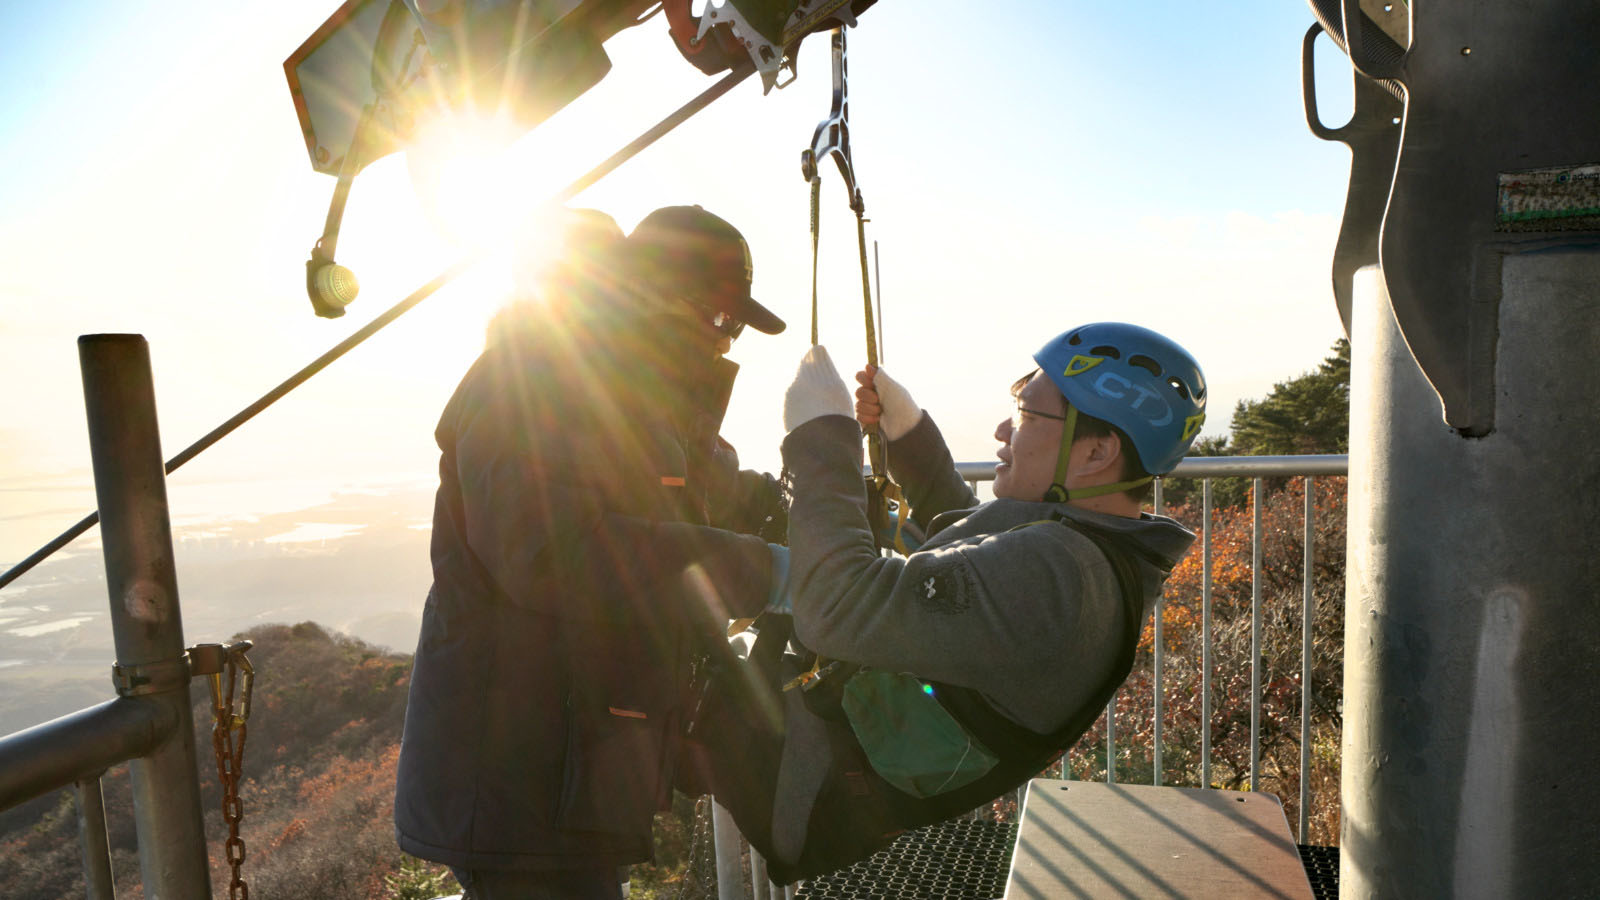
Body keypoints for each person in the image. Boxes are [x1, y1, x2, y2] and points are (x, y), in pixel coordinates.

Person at [681, 322, 1207, 883]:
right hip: (815, 745)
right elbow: (974, 561)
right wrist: (908, 436)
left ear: (1097, 452)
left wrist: (822, 438)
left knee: (644, 578)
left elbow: (835, 606)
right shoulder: (1097, 551)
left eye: (1029, 416)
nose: (1005, 428)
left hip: (797, 773)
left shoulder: (1058, 579)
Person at [394, 205, 789, 899]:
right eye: (720, 319)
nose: (726, 345)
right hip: (517, 779)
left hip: (561, 771)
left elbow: (699, 493)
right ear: (653, 297)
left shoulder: (627, 401)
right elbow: (554, 553)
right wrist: (767, 570)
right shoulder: (529, 383)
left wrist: (806, 508)